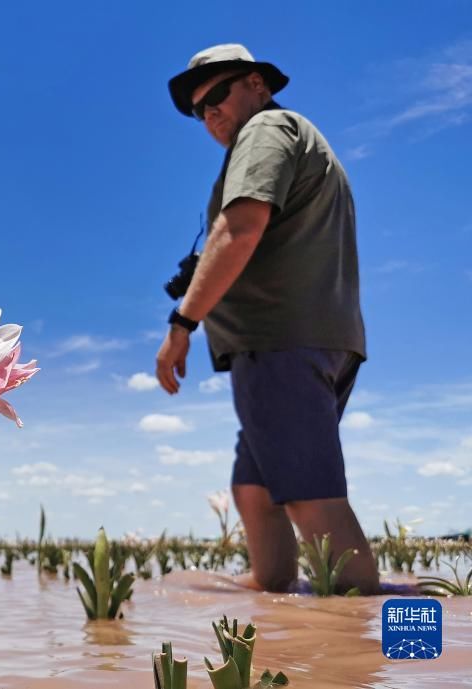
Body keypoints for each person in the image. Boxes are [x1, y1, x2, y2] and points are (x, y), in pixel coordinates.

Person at [156, 44, 380, 595]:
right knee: (255, 492)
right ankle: (277, 600)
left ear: (256, 83)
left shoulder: (267, 128)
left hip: (284, 341)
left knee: (310, 497)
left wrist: (181, 324)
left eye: (216, 96)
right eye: (198, 111)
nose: (209, 115)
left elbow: (240, 228)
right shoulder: (290, 138)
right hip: (302, 340)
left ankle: (391, 656)